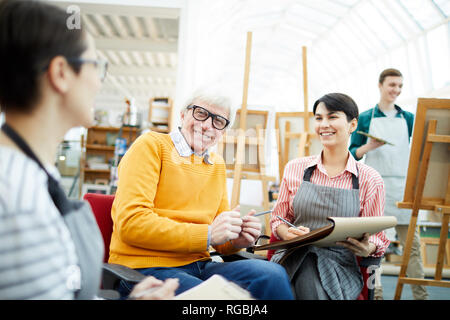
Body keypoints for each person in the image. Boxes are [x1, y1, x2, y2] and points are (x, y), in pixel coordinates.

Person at [0, 0, 178, 300]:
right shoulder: (18, 196)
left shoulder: (35, 173)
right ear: (60, 73)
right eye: (96, 65)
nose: (98, 82)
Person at [108, 88, 294, 300]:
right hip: (144, 269)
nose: (207, 125)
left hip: (200, 265)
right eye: (201, 113)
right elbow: (132, 224)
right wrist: (207, 234)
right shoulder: (151, 145)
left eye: (219, 121)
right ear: (183, 114)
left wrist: (237, 239)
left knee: (272, 275)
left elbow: (221, 243)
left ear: (222, 132)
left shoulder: (217, 166)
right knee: (214, 297)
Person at [270, 93, 390, 300]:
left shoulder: (370, 179)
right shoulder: (295, 168)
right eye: (318, 118)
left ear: (352, 124)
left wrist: (366, 247)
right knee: (306, 260)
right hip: (292, 257)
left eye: (332, 117)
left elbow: (377, 237)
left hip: (340, 266)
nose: (324, 124)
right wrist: (286, 232)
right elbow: (278, 218)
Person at [349, 68, 428, 300]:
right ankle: (377, 295)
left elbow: (421, 149)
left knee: (412, 249)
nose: (396, 90)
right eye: (392, 85)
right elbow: (353, 154)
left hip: (404, 189)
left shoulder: (409, 119)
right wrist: (369, 147)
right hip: (375, 188)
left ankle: (421, 296)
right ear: (380, 85)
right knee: (373, 248)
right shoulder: (365, 117)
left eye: (400, 86)